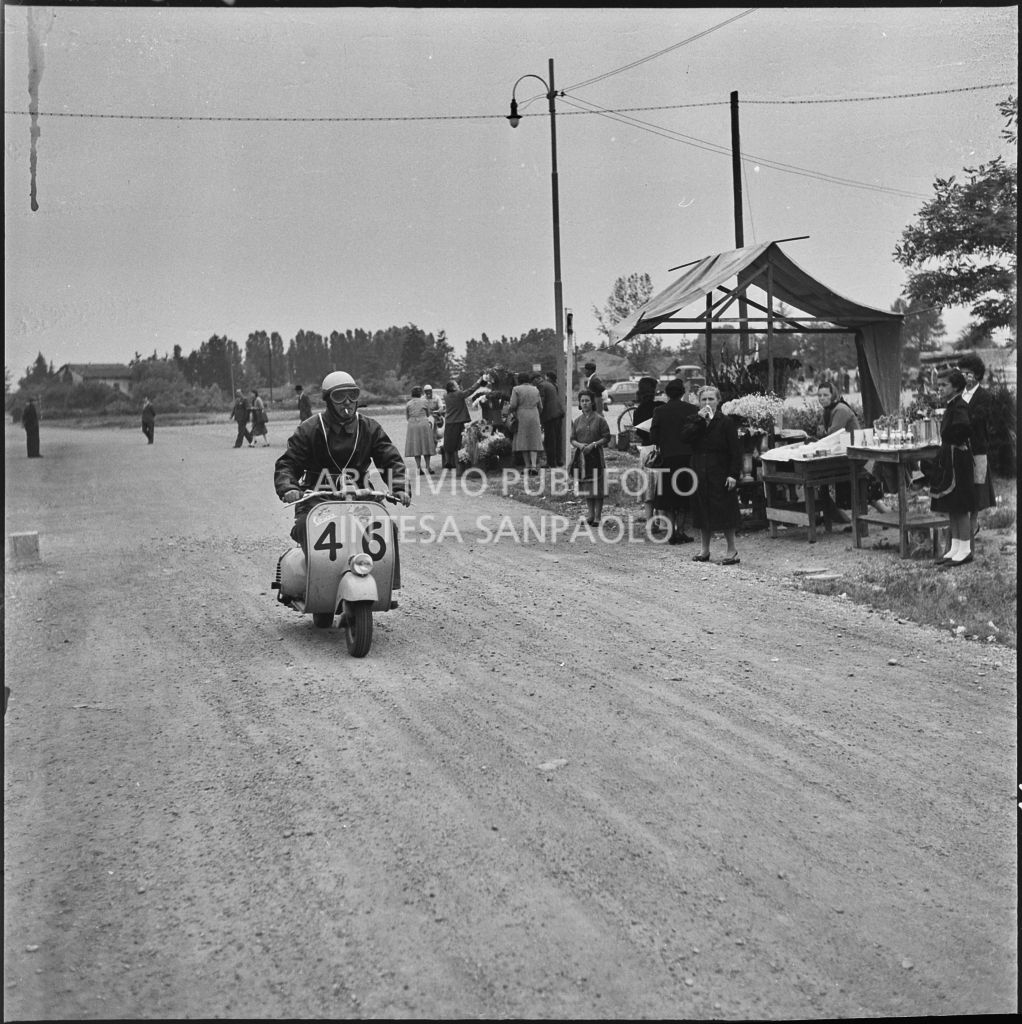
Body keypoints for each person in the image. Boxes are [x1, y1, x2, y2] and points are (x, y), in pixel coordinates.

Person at [274, 370, 411, 556]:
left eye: (352, 395)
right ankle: (315, 583)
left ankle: (385, 585)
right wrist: (288, 487)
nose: (347, 401)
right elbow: (288, 463)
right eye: (339, 396)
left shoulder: (370, 428)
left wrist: (399, 486)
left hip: (360, 495)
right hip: (317, 496)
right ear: (328, 400)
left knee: (386, 528)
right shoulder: (310, 428)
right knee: (307, 528)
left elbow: (390, 459)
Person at [684, 385, 742, 565]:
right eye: (704, 399)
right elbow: (685, 438)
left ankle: (731, 550)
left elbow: (735, 450)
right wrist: (698, 421)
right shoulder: (693, 420)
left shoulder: (726, 422)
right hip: (699, 471)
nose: (707, 402)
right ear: (698, 402)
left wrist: (733, 474)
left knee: (725, 510)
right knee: (702, 510)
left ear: (718, 401)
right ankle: (704, 549)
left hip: (720, 471)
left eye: (711, 399)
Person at [817, 382, 890, 517]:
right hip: (847, 455)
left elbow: (831, 435)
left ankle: (884, 516)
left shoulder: (840, 409)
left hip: (858, 458)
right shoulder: (828, 411)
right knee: (861, 493)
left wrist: (823, 432)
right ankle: (852, 519)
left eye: (825, 395)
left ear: (833, 395)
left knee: (863, 492)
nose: (822, 398)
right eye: (819, 395)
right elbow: (820, 431)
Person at [928, 370, 976, 567]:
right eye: (939, 385)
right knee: (952, 504)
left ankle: (965, 549)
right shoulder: (952, 405)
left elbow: (965, 427)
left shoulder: (960, 406)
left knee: (961, 504)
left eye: (943, 385)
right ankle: (955, 546)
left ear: (955, 387)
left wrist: (954, 441)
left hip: (958, 458)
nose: (940, 389)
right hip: (951, 456)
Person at [649, 378, 701, 544]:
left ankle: (671, 533)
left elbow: (653, 436)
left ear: (666, 393)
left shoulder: (659, 411)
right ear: (683, 393)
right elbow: (697, 433)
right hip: (687, 458)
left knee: (670, 498)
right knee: (685, 496)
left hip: (667, 459)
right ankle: (681, 531)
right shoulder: (692, 409)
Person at [956, 353, 997, 555]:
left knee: (976, 487)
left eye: (970, 373)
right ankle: (964, 527)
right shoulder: (958, 394)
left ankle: (973, 523)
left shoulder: (984, 396)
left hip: (977, 448)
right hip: (959, 448)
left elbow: (979, 421)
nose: (966, 377)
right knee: (962, 487)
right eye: (963, 373)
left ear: (977, 374)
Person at [569, 390, 611, 526]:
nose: (585, 403)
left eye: (587, 400)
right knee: (586, 486)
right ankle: (590, 515)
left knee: (598, 487)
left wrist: (593, 444)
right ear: (580, 403)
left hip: (596, 456)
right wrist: (580, 446)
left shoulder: (600, 420)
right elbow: (572, 439)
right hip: (582, 457)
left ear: (592, 402)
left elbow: (606, 437)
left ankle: (598, 516)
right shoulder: (577, 421)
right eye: (582, 401)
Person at [632, 376, 665, 532]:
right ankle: (660, 520)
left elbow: (638, 431)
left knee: (648, 488)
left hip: (646, 449)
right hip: (660, 448)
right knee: (660, 486)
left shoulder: (638, 411)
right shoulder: (660, 406)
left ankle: (649, 521)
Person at [442, 375, 486, 470]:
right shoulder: (459, 394)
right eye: (456, 385)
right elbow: (470, 390)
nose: (457, 385)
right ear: (453, 387)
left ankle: (449, 462)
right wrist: (479, 382)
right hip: (460, 421)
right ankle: (458, 464)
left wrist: (459, 386)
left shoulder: (446, 396)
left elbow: (459, 392)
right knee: (460, 442)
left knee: (449, 442)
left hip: (449, 421)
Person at [508, 372, 543, 474]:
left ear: (519, 380)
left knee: (523, 440)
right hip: (534, 414)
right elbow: (540, 406)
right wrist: (536, 414)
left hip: (522, 415)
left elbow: (513, 404)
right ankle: (533, 466)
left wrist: (510, 411)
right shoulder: (535, 389)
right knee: (534, 440)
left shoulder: (516, 389)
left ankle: (527, 466)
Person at [404, 385, 437, 474]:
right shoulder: (425, 402)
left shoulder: (408, 403)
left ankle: (419, 467)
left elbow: (407, 417)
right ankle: (428, 466)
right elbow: (428, 414)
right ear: (421, 394)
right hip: (423, 423)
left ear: (412, 394)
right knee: (426, 445)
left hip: (412, 425)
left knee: (416, 446)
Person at [535, 372, 565, 468]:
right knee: (557, 438)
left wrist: (538, 413)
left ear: (536, 379)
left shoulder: (541, 385)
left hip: (549, 415)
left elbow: (541, 402)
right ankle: (559, 460)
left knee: (550, 440)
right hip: (558, 413)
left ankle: (551, 463)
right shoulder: (551, 384)